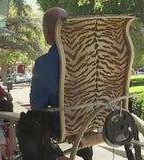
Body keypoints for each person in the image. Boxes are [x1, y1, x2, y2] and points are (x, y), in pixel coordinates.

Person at [30, 7, 93, 160]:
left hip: (63, 126)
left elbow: (36, 106)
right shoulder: (89, 55)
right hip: (91, 119)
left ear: (49, 31)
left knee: (30, 122)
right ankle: (85, 154)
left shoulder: (44, 63)